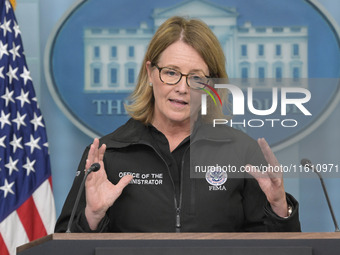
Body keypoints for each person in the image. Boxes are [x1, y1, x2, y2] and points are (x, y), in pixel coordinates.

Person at [55, 16, 301, 233]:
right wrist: (92, 217)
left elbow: (280, 249)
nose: (182, 88)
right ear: (150, 73)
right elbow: (64, 248)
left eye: (196, 77)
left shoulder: (242, 153)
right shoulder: (106, 155)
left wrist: (280, 209)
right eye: (171, 72)